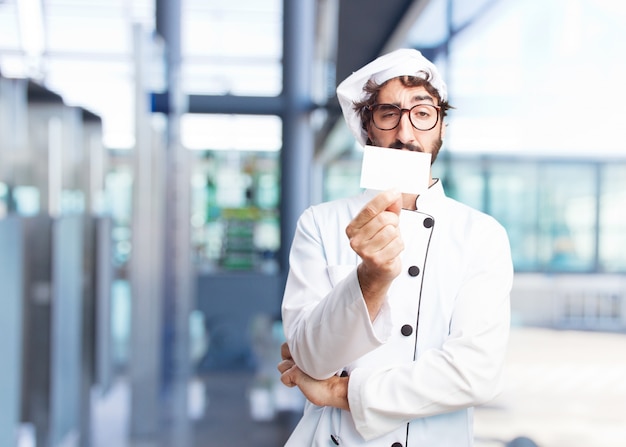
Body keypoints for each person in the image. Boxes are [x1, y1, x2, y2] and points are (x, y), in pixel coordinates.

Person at [277, 48, 513, 447]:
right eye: (389, 114)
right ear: (368, 128)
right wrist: (369, 280)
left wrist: (341, 393)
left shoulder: (481, 235)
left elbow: (476, 373)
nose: (406, 134)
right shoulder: (321, 222)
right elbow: (312, 359)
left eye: (422, 114)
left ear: (441, 128)